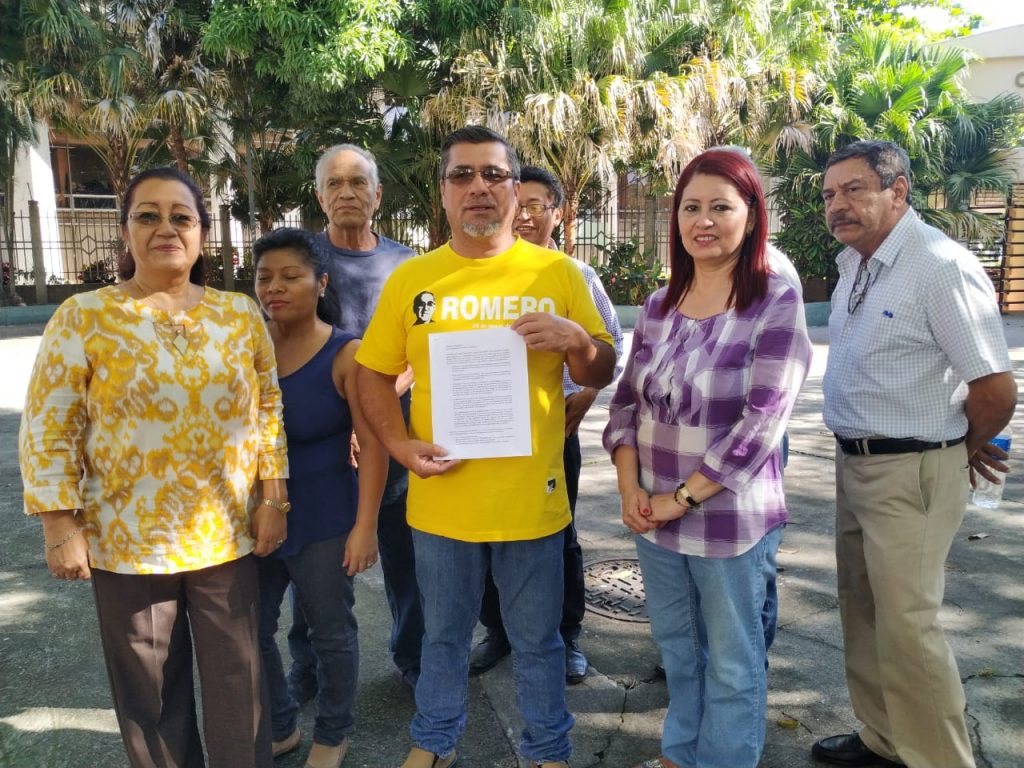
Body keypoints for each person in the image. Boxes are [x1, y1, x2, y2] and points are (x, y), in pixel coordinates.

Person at [355, 126, 616, 768]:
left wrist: (577, 343)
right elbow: (372, 374)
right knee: (442, 639)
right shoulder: (414, 280)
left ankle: (548, 750)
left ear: (515, 189)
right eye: (462, 175)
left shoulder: (556, 273)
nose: (479, 187)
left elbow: (602, 368)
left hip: (531, 503)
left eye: (493, 174)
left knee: (539, 641)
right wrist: (400, 445)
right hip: (443, 503)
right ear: (443, 192)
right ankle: (433, 742)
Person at [18, 166, 288, 767]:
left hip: (225, 533)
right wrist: (59, 524)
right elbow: (50, 425)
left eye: (181, 217)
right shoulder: (84, 316)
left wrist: (273, 497)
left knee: (239, 682)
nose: (166, 228)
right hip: (127, 538)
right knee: (151, 696)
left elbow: (268, 410)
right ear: (125, 231)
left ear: (201, 233)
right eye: (148, 215)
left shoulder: (239, 314)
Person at [603, 148, 811, 768]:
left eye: (721, 206)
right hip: (653, 512)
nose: (704, 221)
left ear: (751, 214)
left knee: (732, 660)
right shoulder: (660, 304)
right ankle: (680, 753)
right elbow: (625, 403)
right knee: (677, 646)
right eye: (691, 207)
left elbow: (762, 423)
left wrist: (682, 497)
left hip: (727, 518)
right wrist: (631, 490)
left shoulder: (774, 301)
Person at [812, 140, 1016, 768]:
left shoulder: (938, 266)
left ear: (897, 190)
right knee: (864, 612)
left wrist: (958, 450)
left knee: (908, 626)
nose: (837, 204)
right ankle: (885, 740)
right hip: (856, 463)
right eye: (829, 194)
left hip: (913, 470)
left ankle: (940, 760)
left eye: (854, 189)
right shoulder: (856, 263)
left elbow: (995, 390)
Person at [469, 165, 624, 684]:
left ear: (558, 213)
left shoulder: (575, 275)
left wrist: (587, 393)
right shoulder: (484, 274)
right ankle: (498, 631)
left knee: (559, 535)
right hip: (488, 430)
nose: (526, 216)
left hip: (553, 433)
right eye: (520, 204)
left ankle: (566, 634)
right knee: (487, 533)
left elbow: (611, 343)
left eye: (538, 205)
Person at [288, 144, 422, 699]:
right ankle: (308, 668)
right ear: (320, 196)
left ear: (377, 194)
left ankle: (414, 660)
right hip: (324, 444)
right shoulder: (301, 260)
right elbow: (289, 342)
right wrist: (345, 418)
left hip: (398, 436)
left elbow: (419, 348)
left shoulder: (409, 266)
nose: (347, 193)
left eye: (358, 182)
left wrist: (376, 406)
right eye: (335, 183)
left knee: (407, 559)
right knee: (313, 564)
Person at [252, 228, 388, 768]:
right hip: (255, 515)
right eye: (264, 277)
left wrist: (365, 526)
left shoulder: (346, 352)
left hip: (326, 516)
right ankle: (281, 724)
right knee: (251, 629)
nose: (275, 288)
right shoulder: (246, 345)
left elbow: (373, 445)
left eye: (291, 276)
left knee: (330, 631)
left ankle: (333, 731)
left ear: (321, 282)